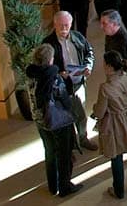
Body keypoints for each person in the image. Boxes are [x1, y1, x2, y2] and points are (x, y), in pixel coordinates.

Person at [26, 43, 82, 197]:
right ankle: (65, 186)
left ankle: (53, 185)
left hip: (40, 120)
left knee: (49, 151)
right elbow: (65, 100)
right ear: (50, 60)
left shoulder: (30, 75)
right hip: (58, 121)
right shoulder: (53, 77)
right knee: (63, 154)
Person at [92, 50, 127, 199]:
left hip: (114, 124)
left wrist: (94, 110)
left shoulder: (105, 88)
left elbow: (100, 112)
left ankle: (119, 191)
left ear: (109, 67)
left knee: (116, 156)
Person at [43, 11, 97, 150]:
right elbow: (45, 67)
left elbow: (88, 52)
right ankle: (70, 144)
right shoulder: (48, 43)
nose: (63, 29)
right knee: (65, 117)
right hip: (61, 87)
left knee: (80, 114)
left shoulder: (77, 37)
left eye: (66, 25)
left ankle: (83, 138)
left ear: (71, 24)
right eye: (60, 26)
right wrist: (59, 74)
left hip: (78, 84)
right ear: (54, 24)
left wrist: (88, 66)